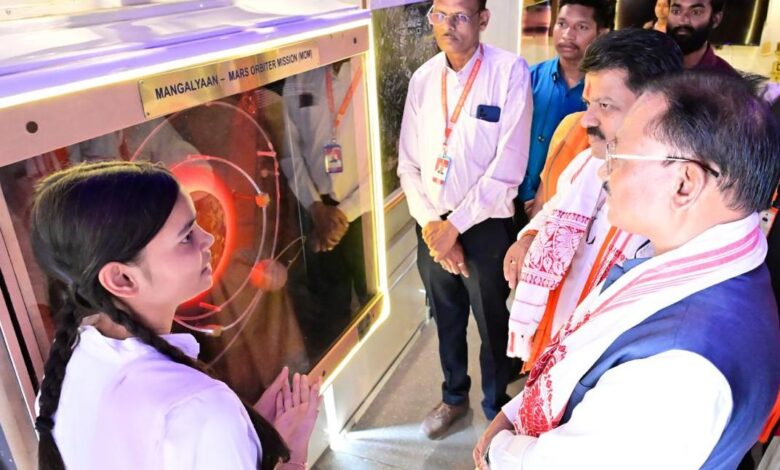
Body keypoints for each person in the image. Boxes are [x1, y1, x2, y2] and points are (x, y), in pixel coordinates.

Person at [478, 70, 780, 470]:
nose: (604, 171)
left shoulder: (679, 373)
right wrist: (514, 414)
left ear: (685, 183)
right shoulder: (700, 263)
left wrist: (496, 450)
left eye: (619, 156)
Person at [32, 161, 320, 470]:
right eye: (186, 237)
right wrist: (291, 452)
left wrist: (244, 432)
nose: (208, 239)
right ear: (122, 279)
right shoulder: (202, 410)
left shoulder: (71, 364)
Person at [503, 29, 682, 369]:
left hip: (603, 364)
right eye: (588, 103)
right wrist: (529, 237)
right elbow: (556, 207)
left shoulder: (677, 202)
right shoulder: (588, 163)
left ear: (658, 109)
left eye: (605, 106)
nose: (587, 119)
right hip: (557, 335)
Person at [398, 0, 532, 438]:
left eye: (459, 16)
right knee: (446, 316)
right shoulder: (423, 79)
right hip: (432, 225)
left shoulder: (509, 72)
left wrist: (454, 227)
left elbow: (508, 167)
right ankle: (454, 397)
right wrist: (433, 225)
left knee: (492, 322)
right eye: (439, 15)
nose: (447, 26)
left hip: (486, 227)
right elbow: (408, 166)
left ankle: (496, 405)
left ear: (482, 20)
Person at [280, 60, 371, 355]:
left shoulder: (371, 68)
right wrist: (316, 207)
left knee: (373, 299)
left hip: (365, 212)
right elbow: (290, 153)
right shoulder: (298, 77)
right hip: (317, 214)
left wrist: (346, 211)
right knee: (331, 311)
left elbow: (390, 153)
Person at [515, 0, 613, 224]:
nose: (568, 34)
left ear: (601, 33)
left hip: (574, 209)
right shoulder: (527, 78)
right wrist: (528, 195)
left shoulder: (604, 93)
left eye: (581, 27)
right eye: (562, 24)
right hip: (516, 200)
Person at [666, 0, 737, 74]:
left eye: (696, 12)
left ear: (715, 19)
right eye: (676, 11)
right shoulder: (657, 68)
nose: (683, 21)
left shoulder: (727, 78)